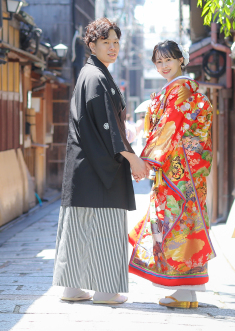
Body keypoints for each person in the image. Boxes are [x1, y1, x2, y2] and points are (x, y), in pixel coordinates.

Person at [52, 18, 150, 305]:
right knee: (106, 226)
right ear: (92, 44)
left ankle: (72, 287)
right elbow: (108, 126)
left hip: (83, 166)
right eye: (106, 42)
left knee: (79, 227)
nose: (113, 47)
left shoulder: (91, 74)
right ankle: (106, 290)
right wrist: (133, 159)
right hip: (99, 168)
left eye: (116, 42)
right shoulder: (95, 77)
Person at [128, 40, 215, 309]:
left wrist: (146, 162)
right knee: (181, 223)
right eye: (159, 62)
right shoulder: (177, 89)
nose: (164, 66)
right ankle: (185, 293)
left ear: (181, 60)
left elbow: (168, 127)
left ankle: (183, 292)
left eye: (169, 60)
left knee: (176, 222)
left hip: (178, 170)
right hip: (180, 169)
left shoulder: (181, 89)